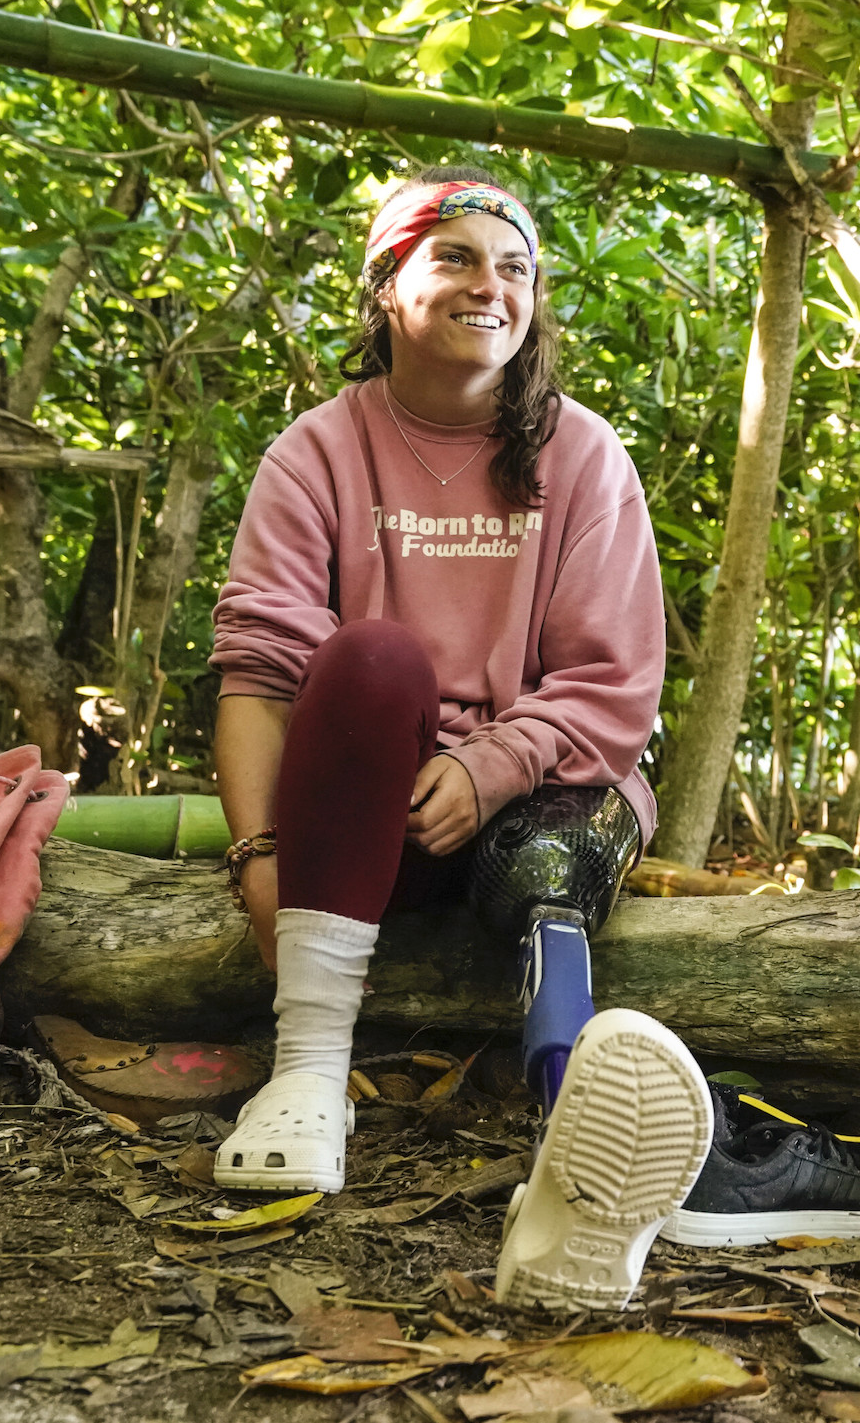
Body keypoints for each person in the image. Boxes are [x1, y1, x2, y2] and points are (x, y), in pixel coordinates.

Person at [208, 166, 710, 1311]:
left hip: (544, 794)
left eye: (518, 267)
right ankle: (307, 1075)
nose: (494, 286)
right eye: (459, 259)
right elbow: (258, 677)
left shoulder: (582, 457)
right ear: (388, 286)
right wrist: (260, 860)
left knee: (545, 868)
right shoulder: (317, 453)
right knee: (374, 656)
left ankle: (571, 1166)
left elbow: (614, 686)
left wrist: (490, 766)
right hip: (360, 821)